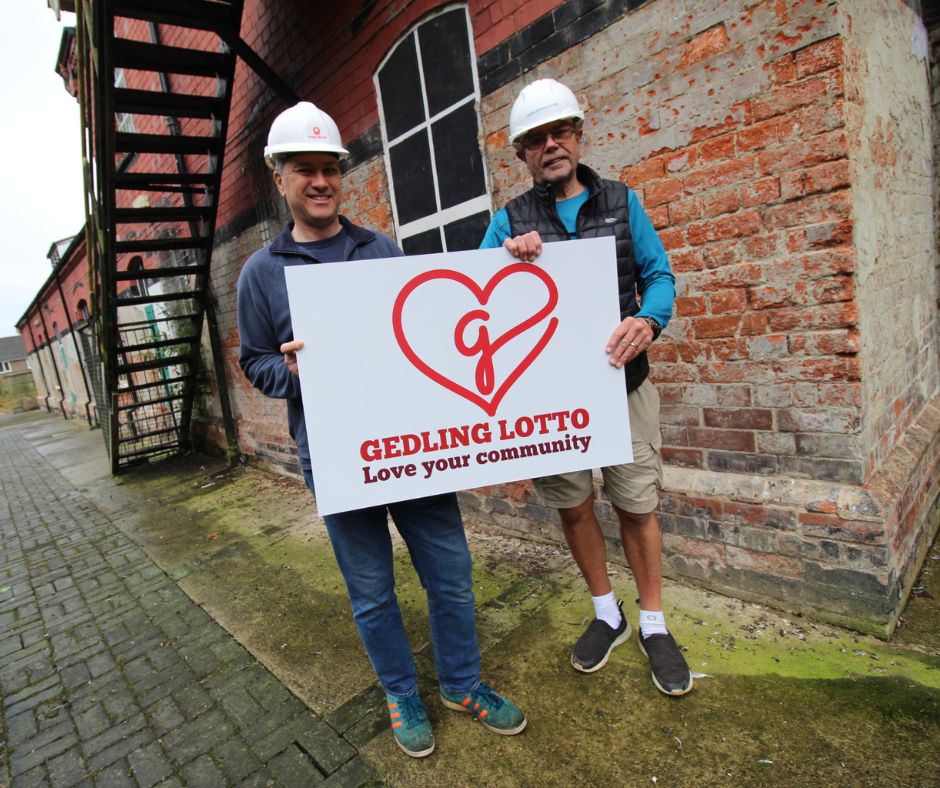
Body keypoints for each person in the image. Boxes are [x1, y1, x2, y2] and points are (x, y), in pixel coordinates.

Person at [237, 101, 526, 757]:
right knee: (371, 593)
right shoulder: (263, 272)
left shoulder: (381, 249)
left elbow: (418, 340)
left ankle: (462, 684)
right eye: (303, 170)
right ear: (279, 178)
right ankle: (401, 694)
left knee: (450, 575)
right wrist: (297, 374)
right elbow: (254, 362)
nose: (319, 181)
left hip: (409, 446)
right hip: (337, 456)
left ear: (341, 176)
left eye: (329, 169)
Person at [480, 79, 692, 696]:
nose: (551, 146)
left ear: (577, 134)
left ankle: (653, 624)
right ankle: (608, 613)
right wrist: (505, 262)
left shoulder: (624, 203)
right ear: (521, 154)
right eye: (535, 140)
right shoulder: (507, 221)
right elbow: (477, 306)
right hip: (551, 402)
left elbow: (659, 277)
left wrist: (647, 320)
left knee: (637, 503)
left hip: (621, 385)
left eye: (560, 132)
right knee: (573, 506)